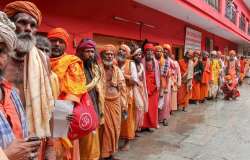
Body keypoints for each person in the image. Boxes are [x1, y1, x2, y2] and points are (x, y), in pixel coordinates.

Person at [0, 11, 41, 160]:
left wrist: (51, 145)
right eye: (22, 22)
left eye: (33, 25)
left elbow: (55, 103)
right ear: (11, 25)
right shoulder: (4, 63)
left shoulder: (43, 62)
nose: (28, 28)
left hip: (33, 140)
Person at [48, 27, 89, 160]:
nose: (57, 44)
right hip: (42, 116)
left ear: (66, 44)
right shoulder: (40, 60)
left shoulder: (72, 63)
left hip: (64, 117)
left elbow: (76, 90)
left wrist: (65, 112)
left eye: (61, 41)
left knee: (63, 153)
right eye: (53, 40)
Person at [76, 38, 104, 160]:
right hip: (82, 108)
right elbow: (77, 89)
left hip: (94, 105)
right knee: (84, 140)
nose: (90, 54)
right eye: (87, 51)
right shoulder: (75, 67)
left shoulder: (94, 68)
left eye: (92, 51)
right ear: (81, 52)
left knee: (94, 138)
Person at [99, 44, 127, 160]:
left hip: (115, 102)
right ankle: (103, 154)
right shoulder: (98, 68)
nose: (109, 56)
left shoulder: (117, 71)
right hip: (102, 103)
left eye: (111, 54)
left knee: (115, 128)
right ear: (103, 56)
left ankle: (111, 153)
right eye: (107, 54)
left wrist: (124, 106)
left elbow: (123, 88)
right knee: (104, 129)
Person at [117, 44, 137, 151]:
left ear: (128, 54)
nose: (121, 51)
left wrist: (121, 75)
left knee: (127, 119)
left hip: (128, 95)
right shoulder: (114, 62)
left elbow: (135, 80)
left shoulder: (131, 64)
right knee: (117, 119)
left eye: (124, 50)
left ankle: (127, 141)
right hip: (115, 95)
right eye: (120, 49)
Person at [130, 46, 148, 135]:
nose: (139, 56)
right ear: (133, 56)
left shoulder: (141, 65)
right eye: (137, 55)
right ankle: (132, 129)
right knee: (138, 108)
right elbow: (133, 78)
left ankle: (137, 128)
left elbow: (143, 78)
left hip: (141, 88)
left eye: (140, 55)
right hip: (133, 89)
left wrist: (144, 88)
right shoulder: (131, 64)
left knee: (141, 108)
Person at [142, 43, 160, 130]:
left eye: (151, 51)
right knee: (145, 106)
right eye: (147, 51)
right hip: (144, 86)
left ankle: (150, 125)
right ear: (145, 52)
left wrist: (157, 85)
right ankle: (143, 125)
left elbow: (158, 75)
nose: (149, 52)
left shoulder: (156, 62)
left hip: (154, 88)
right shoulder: (141, 61)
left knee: (152, 108)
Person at [157, 44, 171, 126]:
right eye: (164, 52)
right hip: (158, 83)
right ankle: (157, 119)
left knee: (165, 103)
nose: (165, 53)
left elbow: (169, 73)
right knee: (158, 102)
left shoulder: (169, 61)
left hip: (166, 83)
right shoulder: (158, 60)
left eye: (167, 52)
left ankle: (165, 118)